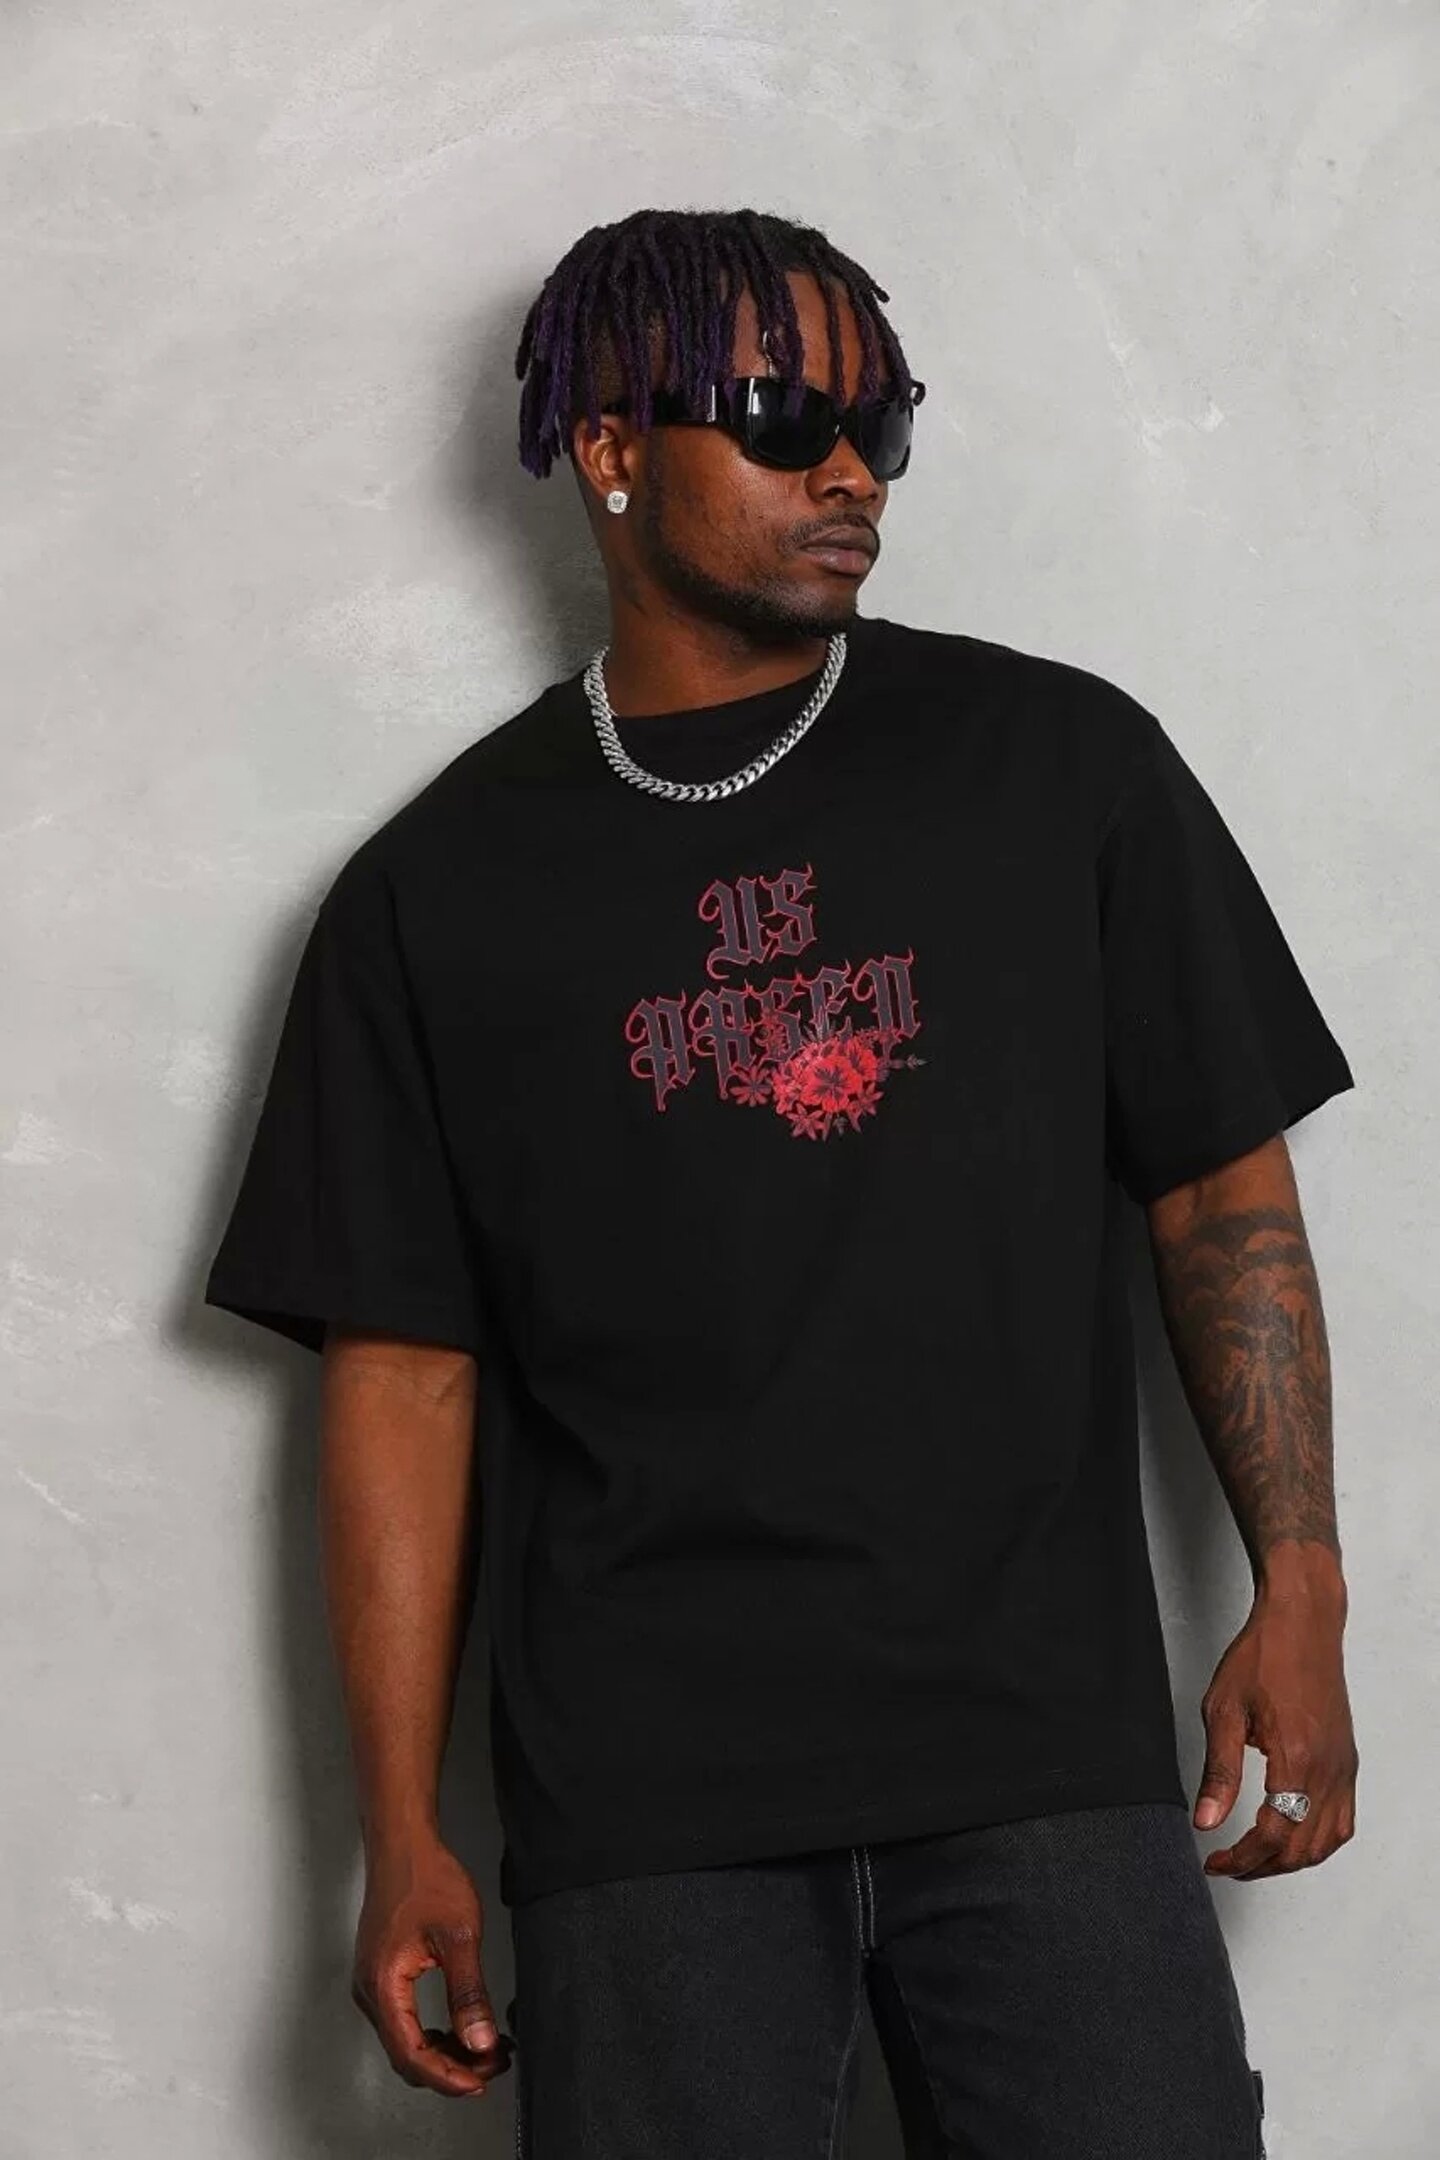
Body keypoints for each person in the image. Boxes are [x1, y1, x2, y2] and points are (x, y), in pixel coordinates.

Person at [204, 206, 1358, 2158]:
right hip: (650, 1805)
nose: (850, 471)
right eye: (779, 418)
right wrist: (395, 1827)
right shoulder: (434, 895)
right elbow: (402, 1376)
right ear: (609, 447)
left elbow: (1220, 1198)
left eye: (879, 424)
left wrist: (1303, 1583)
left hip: (1044, 1755)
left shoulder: (1059, 769)